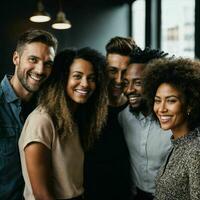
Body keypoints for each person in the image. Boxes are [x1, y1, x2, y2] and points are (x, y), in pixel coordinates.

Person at [18, 47, 108, 200]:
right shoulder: (41, 121)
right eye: (77, 76)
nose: (85, 84)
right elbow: (42, 195)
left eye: (91, 78)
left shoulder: (74, 118)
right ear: (63, 78)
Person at [0, 29, 58, 200]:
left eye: (48, 63)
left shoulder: (50, 108)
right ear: (16, 58)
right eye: (33, 59)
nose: (40, 70)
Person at [84, 36, 136, 200]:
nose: (119, 80)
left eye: (125, 72)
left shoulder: (137, 109)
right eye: (113, 71)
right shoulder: (87, 106)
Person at [118, 47, 172, 200]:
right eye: (126, 83)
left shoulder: (174, 122)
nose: (129, 90)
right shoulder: (123, 117)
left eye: (138, 83)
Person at [142, 57, 200, 200]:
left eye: (171, 101)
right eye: (157, 100)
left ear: (190, 104)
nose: (161, 109)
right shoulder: (177, 144)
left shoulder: (196, 152)